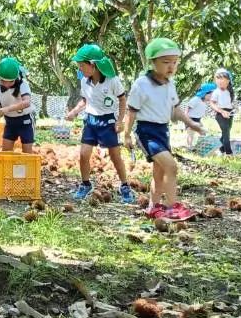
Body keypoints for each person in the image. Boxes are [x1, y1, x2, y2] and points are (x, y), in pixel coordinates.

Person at [123, 38, 203, 221]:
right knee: (171, 166)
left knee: (159, 172)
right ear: (153, 62)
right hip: (147, 132)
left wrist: (191, 124)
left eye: (174, 62)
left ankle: (153, 207)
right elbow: (131, 111)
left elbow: (175, 109)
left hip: (163, 131)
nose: (171, 66)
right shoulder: (141, 84)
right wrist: (126, 135)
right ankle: (172, 207)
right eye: (166, 62)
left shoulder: (170, 84)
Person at [68, 44, 136, 205]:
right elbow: (85, 100)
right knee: (83, 154)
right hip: (90, 120)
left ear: (93, 65)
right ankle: (85, 184)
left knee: (115, 156)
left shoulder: (112, 81)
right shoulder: (84, 81)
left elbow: (122, 100)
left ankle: (125, 186)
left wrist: (120, 121)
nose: (80, 69)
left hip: (108, 121)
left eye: (81, 65)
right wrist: (74, 111)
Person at [0, 57, 35, 152]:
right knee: (6, 152)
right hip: (10, 122)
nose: (7, 84)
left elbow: (27, 102)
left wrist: (8, 109)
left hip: (25, 120)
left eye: (10, 81)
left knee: (27, 152)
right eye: (3, 81)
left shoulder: (23, 84)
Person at [208, 68, 236, 154]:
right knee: (226, 133)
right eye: (218, 79)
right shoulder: (216, 92)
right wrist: (221, 111)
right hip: (220, 114)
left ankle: (221, 149)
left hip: (229, 113)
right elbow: (212, 103)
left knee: (225, 133)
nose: (220, 81)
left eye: (222, 79)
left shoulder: (229, 91)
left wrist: (233, 108)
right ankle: (229, 153)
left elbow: (229, 103)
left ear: (228, 81)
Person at [183, 82, 215, 149]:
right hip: (190, 118)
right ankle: (189, 147)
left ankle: (200, 147)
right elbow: (187, 107)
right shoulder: (196, 99)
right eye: (211, 95)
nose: (212, 97)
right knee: (190, 133)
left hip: (197, 119)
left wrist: (199, 121)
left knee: (203, 133)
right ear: (205, 93)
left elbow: (197, 113)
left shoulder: (204, 102)